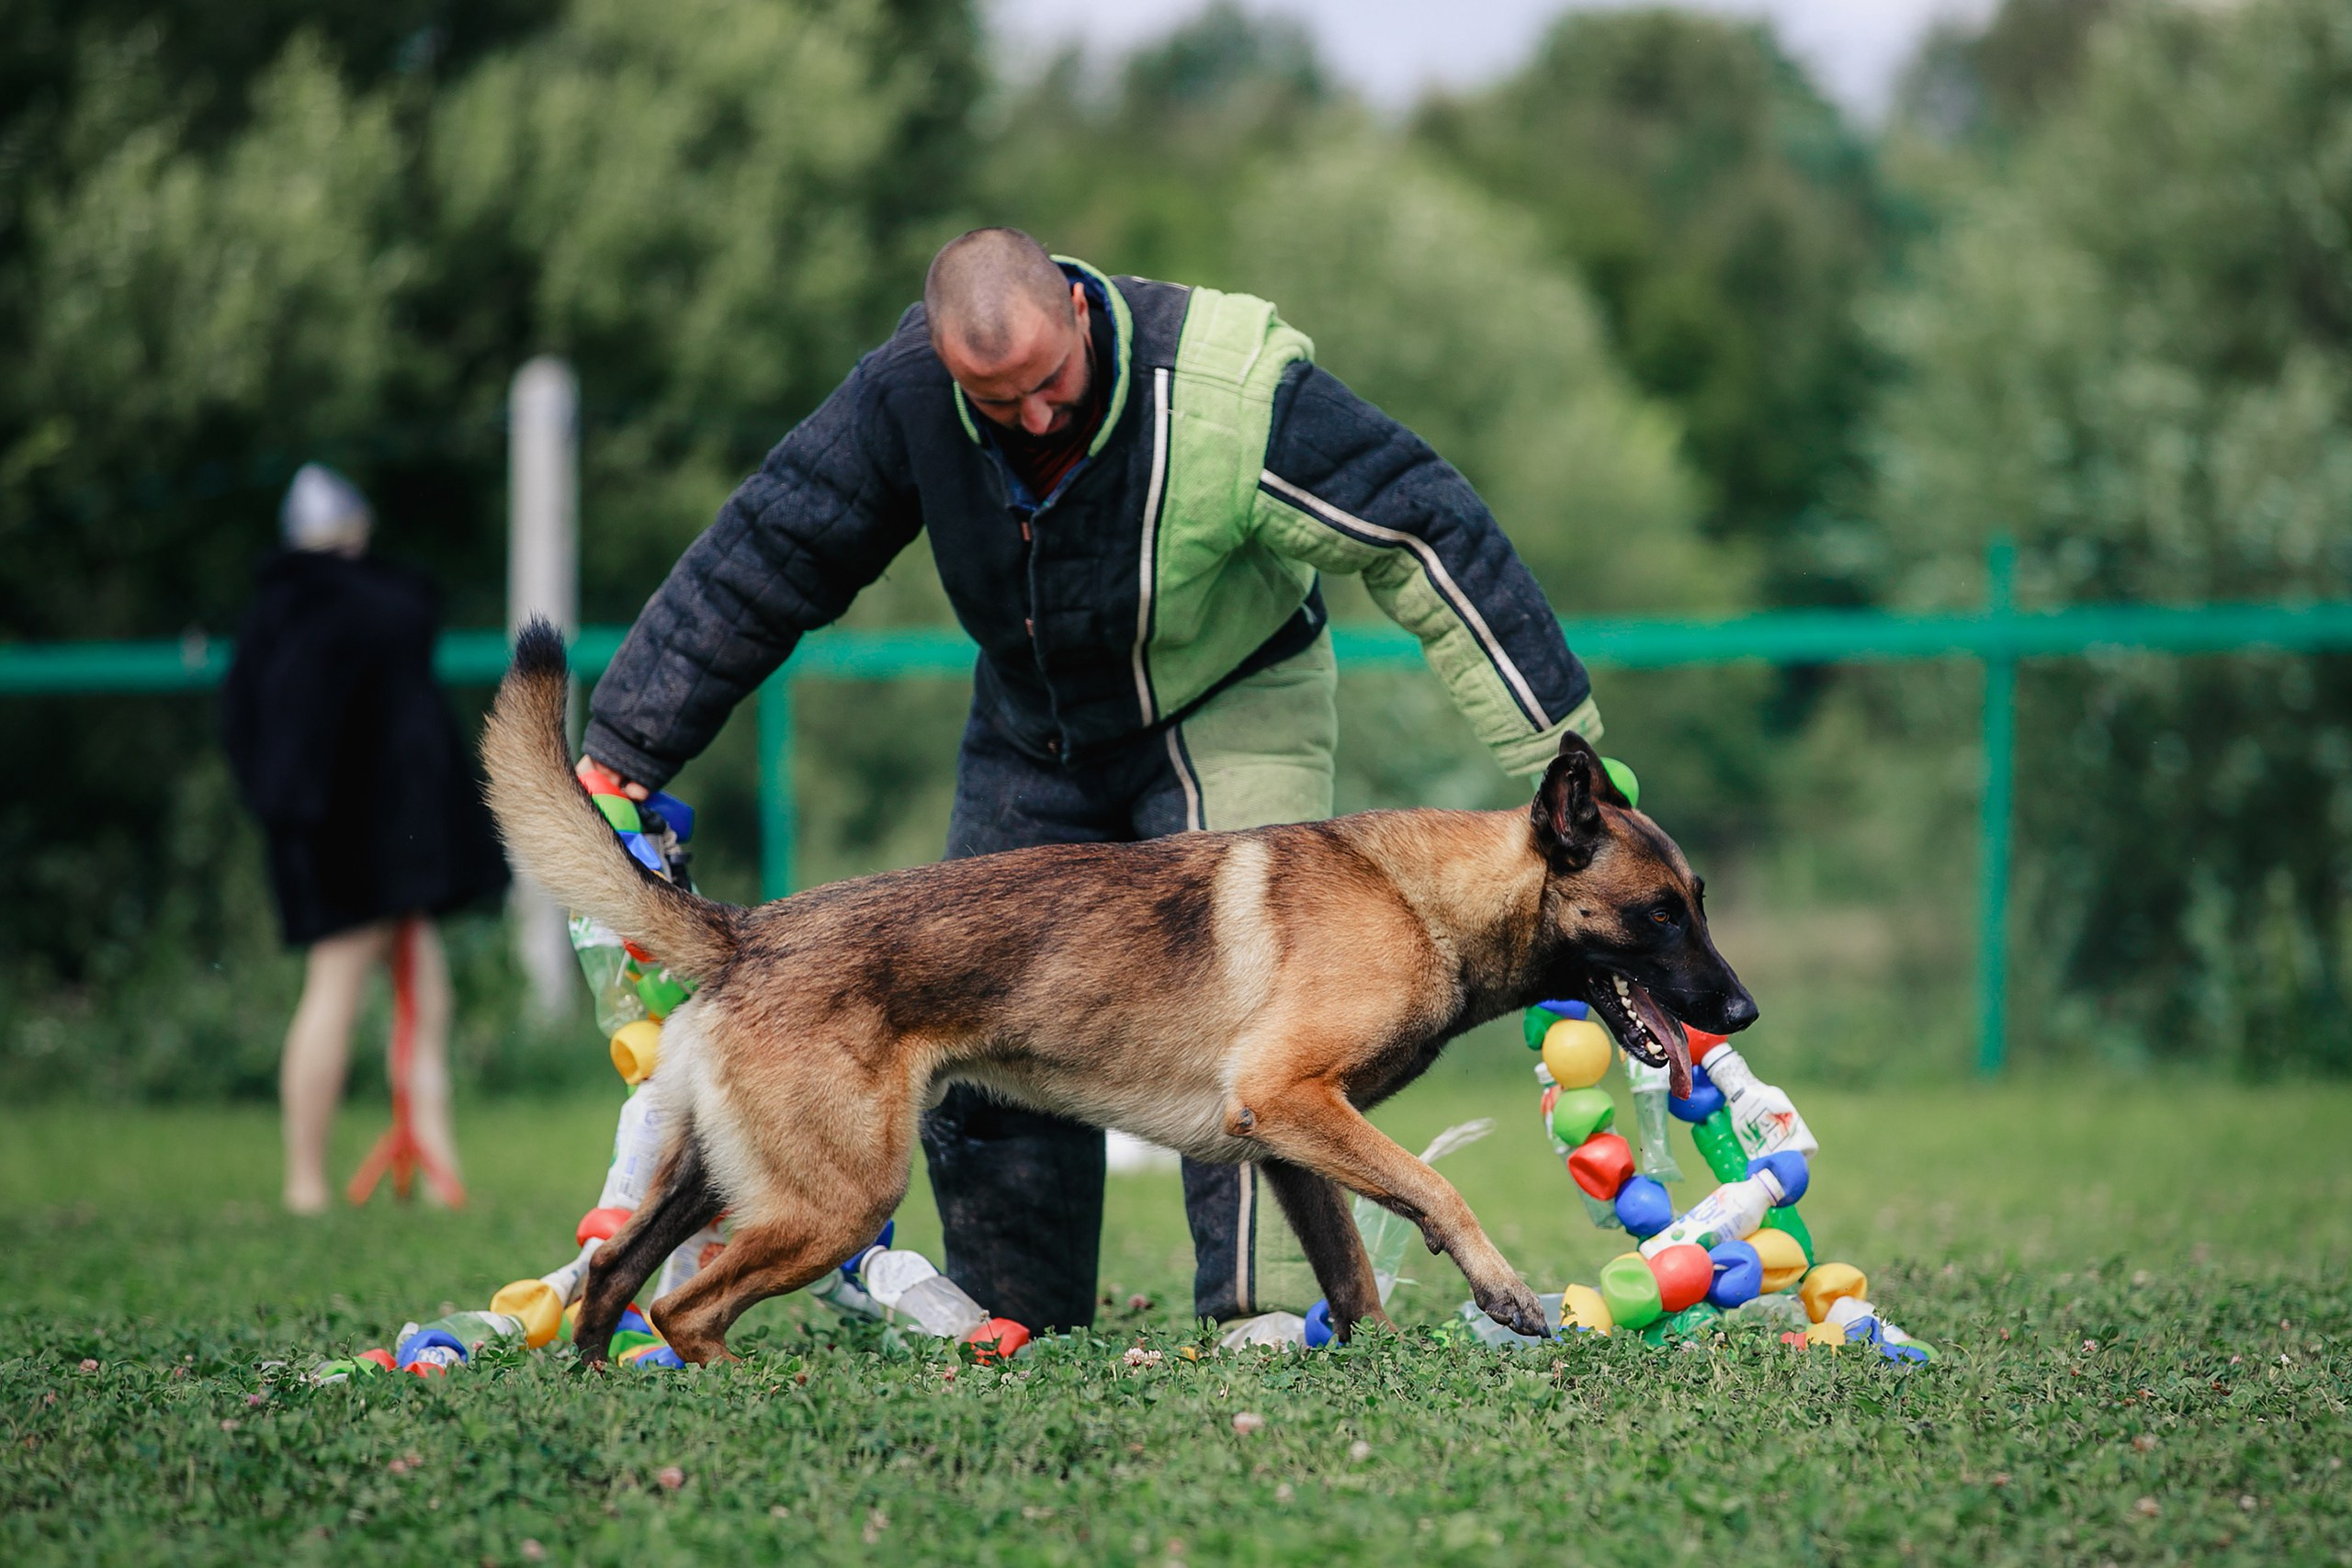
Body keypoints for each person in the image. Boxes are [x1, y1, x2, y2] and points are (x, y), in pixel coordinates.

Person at [580, 228, 1602, 1328]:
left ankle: (1267, 1317)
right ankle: (1020, 1313)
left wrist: (1565, 750)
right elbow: (772, 549)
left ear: (1076, 309)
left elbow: (1425, 528)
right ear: (946, 364)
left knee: (1275, 1041)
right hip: (1035, 720)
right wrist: (629, 739)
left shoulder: (1226, 385)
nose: (1031, 419)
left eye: (1049, 386)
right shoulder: (906, 394)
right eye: (996, 400)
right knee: (963, 999)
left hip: (1230, 700)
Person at [222, 464, 509, 1213]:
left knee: (424, 993)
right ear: (355, 532)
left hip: (342, 841)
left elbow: (247, 730)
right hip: (367, 846)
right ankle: (306, 1183)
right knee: (340, 991)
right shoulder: (372, 609)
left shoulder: (271, 617)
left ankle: (434, 1167)